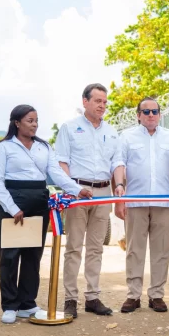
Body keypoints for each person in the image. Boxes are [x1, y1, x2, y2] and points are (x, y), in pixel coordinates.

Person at [0, 104, 91, 324]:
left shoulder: (43, 147)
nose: (34, 125)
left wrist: (76, 189)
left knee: (33, 255)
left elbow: (55, 173)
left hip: (38, 200)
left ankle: (27, 304)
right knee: (9, 256)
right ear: (17, 122)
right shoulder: (4, 148)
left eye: (36, 121)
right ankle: (9, 305)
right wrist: (12, 208)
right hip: (13, 203)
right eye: (29, 120)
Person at [55, 83, 126, 318]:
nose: (102, 106)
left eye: (105, 102)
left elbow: (117, 163)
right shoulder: (69, 128)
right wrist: (74, 189)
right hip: (77, 193)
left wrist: (120, 185)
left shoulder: (112, 131)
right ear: (85, 101)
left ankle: (92, 297)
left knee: (96, 248)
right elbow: (61, 162)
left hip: (104, 192)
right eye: (98, 101)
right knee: (74, 247)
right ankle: (70, 299)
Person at [115, 97, 169, 313]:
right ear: (138, 115)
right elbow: (119, 163)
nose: (151, 115)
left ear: (160, 115)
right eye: (146, 112)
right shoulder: (126, 137)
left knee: (161, 250)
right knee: (134, 250)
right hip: (135, 201)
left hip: (163, 202)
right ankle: (133, 295)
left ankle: (156, 295)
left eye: (155, 111)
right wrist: (119, 194)